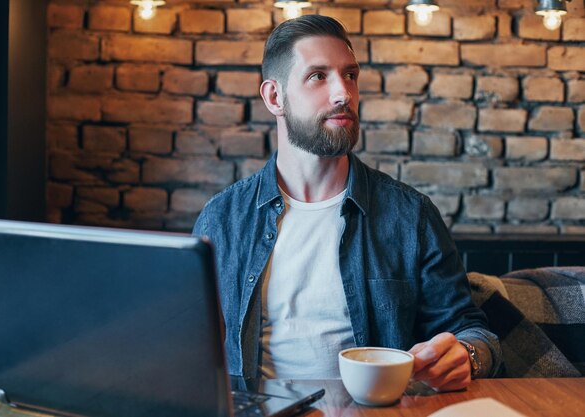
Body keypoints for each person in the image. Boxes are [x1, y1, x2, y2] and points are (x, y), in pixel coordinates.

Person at [193, 14, 501, 391]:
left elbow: (473, 332)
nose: (343, 93)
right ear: (275, 97)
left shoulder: (411, 216)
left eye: (350, 75)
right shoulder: (222, 220)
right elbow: (184, 343)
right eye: (318, 76)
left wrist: (467, 355)